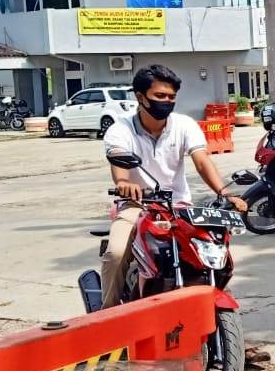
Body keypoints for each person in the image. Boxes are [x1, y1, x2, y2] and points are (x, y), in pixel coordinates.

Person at [101, 64, 247, 309]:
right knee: (115, 254)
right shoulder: (120, 129)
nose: (166, 102)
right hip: (136, 205)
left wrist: (224, 192)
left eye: (171, 97)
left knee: (209, 254)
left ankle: (221, 324)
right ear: (140, 97)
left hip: (178, 207)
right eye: (160, 96)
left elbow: (201, 160)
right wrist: (125, 183)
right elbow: (119, 165)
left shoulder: (184, 125)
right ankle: (107, 319)